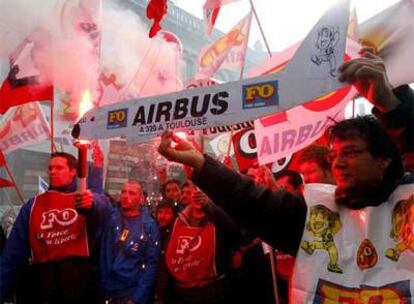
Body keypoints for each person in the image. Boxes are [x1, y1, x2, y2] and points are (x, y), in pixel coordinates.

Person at [157, 49, 414, 302]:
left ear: (384, 159)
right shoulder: (314, 216)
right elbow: (251, 201)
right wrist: (201, 164)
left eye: (351, 152)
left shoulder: (409, 204)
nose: (339, 163)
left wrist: (393, 105)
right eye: (334, 156)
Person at [0, 152, 110, 304]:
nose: (52, 171)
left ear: (73, 172)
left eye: (59, 168)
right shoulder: (32, 206)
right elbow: (13, 253)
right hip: (42, 283)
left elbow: (103, 207)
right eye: (50, 168)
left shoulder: (82, 199)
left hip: (79, 282)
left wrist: (92, 202)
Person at [164, 187, 241, 304]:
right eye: (192, 192)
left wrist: (209, 207)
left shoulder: (218, 219)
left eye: (202, 192)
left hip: (213, 291)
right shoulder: (177, 222)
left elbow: (235, 233)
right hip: (182, 293)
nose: (197, 196)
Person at [99, 180, 161, 304]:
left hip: (129, 292)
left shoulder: (149, 226)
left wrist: (137, 298)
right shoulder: (110, 218)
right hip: (105, 289)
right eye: (123, 192)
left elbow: (151, 264)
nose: (126, 196)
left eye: (131, 193)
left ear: (141, 199)